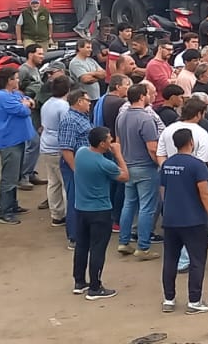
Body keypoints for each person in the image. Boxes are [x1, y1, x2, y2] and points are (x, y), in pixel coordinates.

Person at [159, 127, 208, 314]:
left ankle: (168, 299)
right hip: (193, 220)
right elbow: (205, 194)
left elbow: (163, 190)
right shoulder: (197, 165)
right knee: (197, 261)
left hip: (170, 220)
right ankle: (194, 301)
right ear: (191, 142)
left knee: (170, 260)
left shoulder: (167, 164)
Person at [74, 126, 129, 300]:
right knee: (98, 249)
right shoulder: (105, 163)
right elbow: (125, 176)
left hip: (81, 207)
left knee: (82, 245)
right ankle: (95, 288)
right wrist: (118, 155)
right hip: (99, 210)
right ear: (102, 144)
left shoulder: (81, 152)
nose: (112, 141)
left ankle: (79, 282)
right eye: (109, 139)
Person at [116, 83, 165, 259]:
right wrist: (159, 164)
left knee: (129, 204)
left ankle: (124, 241)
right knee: (147, 207)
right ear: (143, 96)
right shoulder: (145, 118)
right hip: (145, 167)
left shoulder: (121, 116)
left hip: (128, 166)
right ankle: (143, 247)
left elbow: (118, 142)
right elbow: (152, 147)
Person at [0, 70, 36, 224]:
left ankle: (13, 205)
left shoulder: (14, 93)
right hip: (9, 142)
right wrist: (25, 105)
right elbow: (23, 110)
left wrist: (26, 102)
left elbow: (28, 100)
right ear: (8, 80)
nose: (18, 81)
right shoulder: (1, 96)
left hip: (18, 140)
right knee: (9, 178)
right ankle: (5, 213)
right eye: (15, 78)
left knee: (15, 176)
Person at [56, 90, 94, 248]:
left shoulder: (82, 116)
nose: (90, 103)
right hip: (75, 166)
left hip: (84, 165)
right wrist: (76, 170)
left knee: (82, 200)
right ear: (79, 101)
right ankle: (75, 237)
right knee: (75, 200)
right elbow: (66, 149)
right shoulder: (70, 120)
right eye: (87, 100)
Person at [38, 76, 73, 227]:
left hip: (46, 145)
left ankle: (56, 215)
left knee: (53, 182)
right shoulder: (64, 106)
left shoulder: (47, 104)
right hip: (59, 148)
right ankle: (69, 215)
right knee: (66, 183)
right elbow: (67, 128)